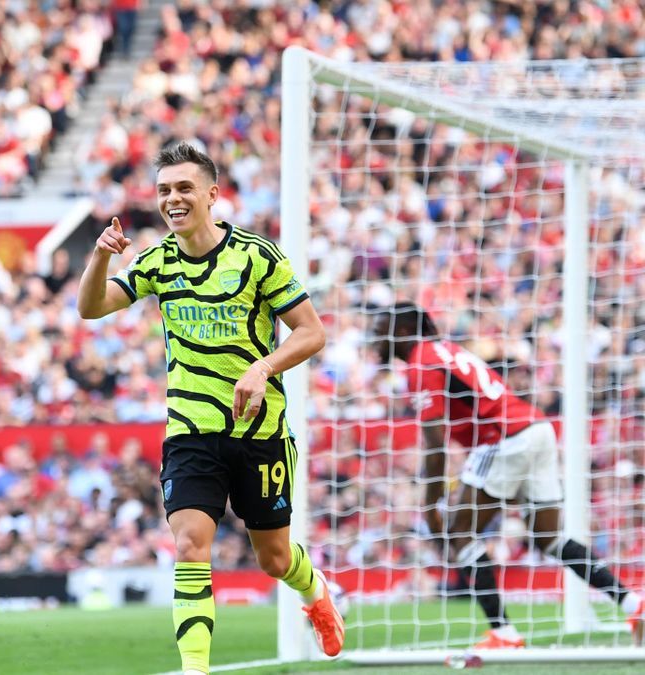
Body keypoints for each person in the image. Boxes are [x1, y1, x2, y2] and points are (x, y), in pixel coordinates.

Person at [76, 143, 343, 673]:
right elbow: (90, 308)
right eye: (164, 191)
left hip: (258, 431)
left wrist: (263, 367)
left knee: (274, 559)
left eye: (183, 189)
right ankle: (195, 669)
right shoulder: (156, 261)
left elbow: (312, 332)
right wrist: (101, 254)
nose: (173, 199)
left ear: (212, 195)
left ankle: (315, 593)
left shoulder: (257, 256)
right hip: (190, 431)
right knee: (191, 544)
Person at [374, 302, 645, 648]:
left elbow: (434, 441)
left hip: (503, 439)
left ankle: (503, 633)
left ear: (402, 331)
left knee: (460, 534)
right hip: (536, 430)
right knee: (549, 539)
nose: (375, 337)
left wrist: (430, 506)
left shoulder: (420, 362)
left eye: (381, 330)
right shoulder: (445, 350)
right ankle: (634, 604)